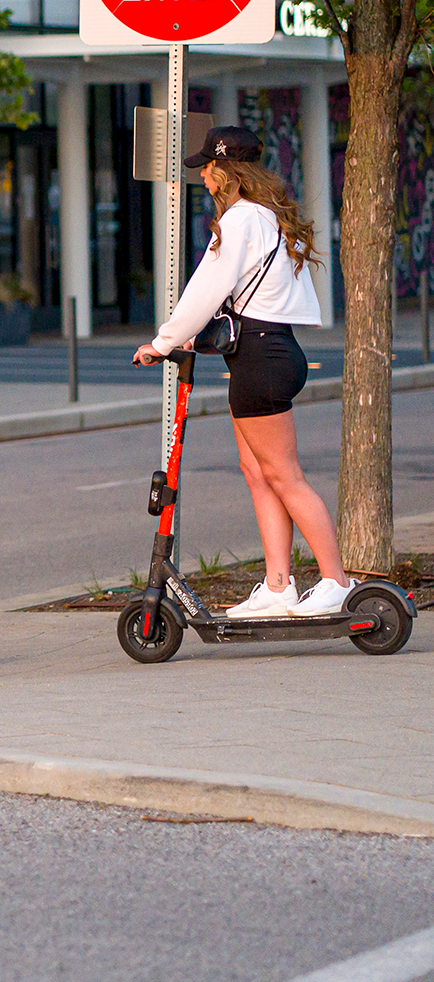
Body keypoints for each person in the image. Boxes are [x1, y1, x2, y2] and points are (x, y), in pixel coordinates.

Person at [133, 125, 352, 618]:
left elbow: (206, 287)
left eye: (207, 168)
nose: (203, 178)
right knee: (257, 472)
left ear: (225, 170)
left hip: (261, 357)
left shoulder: (239, 221)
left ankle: (336, 581)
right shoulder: (267, 217)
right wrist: (193, 336)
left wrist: (163, 341)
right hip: (268, 351)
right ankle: (278, 586)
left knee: (284, 475)